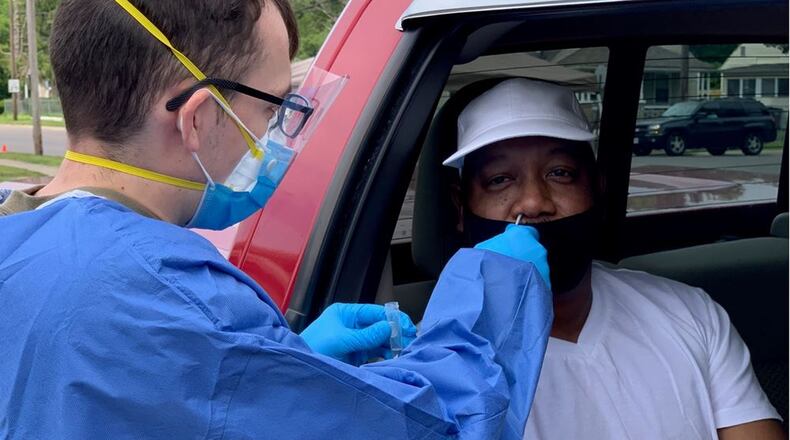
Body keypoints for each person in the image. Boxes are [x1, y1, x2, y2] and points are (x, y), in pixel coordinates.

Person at [0, 2, 555, 439]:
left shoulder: (19, 242)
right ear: (197, 117)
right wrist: (492, 300)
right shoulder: (176, 302)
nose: (277, 138)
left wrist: (292, 362)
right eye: (273, 110)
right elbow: (439, 430)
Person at [441, 77, 783, 439]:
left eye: (560, 173)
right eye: (499, 180)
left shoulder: (691, 313)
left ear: (598, 188)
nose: (533, 202)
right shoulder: (440, 364)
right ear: (461, 207)